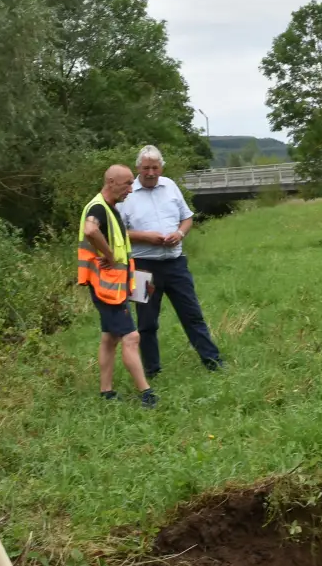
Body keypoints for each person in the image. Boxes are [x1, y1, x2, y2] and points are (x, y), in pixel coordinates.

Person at [118, 146, 224, 378]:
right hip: (142, 267)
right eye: (146, 168)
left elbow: (187, 218)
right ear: (138, 168)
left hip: (175, 264)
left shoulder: (170, 186)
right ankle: (152, 371)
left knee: (192, 314)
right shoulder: (126, 194)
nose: (151, 172)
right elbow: (117, 232)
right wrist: (145, 237)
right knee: (147, 322)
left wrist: (180, 233)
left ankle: (213, 362)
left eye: (155, 168)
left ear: (161, 168)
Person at [78, 165, 158, 408]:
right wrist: (109, 256)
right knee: (131, 337)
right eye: (127, 184)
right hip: (107, 289)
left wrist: (137, 282)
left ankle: (106, 392)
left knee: (110, 337)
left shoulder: (110, 208)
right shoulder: (98, 208)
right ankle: (146, 394)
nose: (131, 189)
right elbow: (90, 229)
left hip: (115, 285)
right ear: (111, 182)